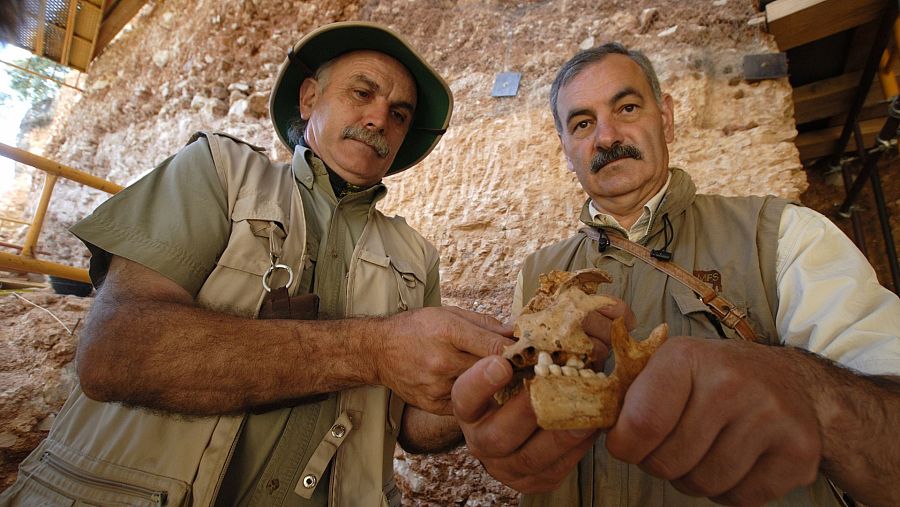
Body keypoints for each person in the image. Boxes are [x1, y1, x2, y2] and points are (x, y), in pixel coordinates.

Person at [2, 22, 512, 506]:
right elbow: (119, 352)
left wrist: (485, 390)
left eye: (399, 114)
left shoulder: (416, 255)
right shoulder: (219, 172)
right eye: (362, 93)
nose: (380, 118)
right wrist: (375, 349)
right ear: (310, 97)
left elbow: (407, 424)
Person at [452, 42, 900, 507]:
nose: (606, 137)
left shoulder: (782, 236)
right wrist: (496, 442)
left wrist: (804, 390)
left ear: (665, 118)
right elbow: (518, 416)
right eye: (582, 123)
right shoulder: (538, 273)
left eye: (626, 107)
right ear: (565, 150)